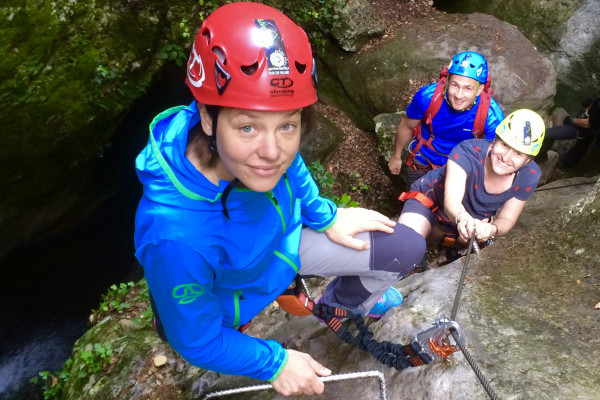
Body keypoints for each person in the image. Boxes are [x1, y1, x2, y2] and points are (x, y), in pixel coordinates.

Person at [134, 3, 425, 397]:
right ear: (207, 118)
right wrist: (276, 361)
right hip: (231, 292)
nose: (273, 151)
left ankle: (338, 302)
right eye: (248, 126)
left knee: (404, 246)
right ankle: (286, 298)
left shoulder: (262, 154)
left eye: (287, 123)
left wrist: (325, 216)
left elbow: (293, 167)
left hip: (279, 249)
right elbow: (197, 341)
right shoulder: (175, 238)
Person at [396, 109, 545, 264]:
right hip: (430, 200)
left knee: (468, 236)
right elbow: (451, 200)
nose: (506, 157)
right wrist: (463, 218)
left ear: (527, 161)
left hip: (471, 220)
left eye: (518, 154)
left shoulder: (529, 175)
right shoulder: (467, 152)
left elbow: (507, 218)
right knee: (404, 247)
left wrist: (491, 229)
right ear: (494, 141)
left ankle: (449, 248)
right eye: (505, 145)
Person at [388, 51, 505, 188]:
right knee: (415, 201)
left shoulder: (490, 115)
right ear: (447, 81)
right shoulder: (428, 97)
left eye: (468, 88)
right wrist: (396, 157)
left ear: (479, 90)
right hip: (422, 160)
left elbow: (492, 155)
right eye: (455, 85)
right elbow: (407, 126)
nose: (459, 95)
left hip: (460, 167)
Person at [543, 97, 600, 168]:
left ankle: (563, 162)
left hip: (586, 130)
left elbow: (587, 124)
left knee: (547, 134)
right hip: (591, 129)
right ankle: (570, 162)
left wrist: (572, 121)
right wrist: (591, 105)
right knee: (582, 145)